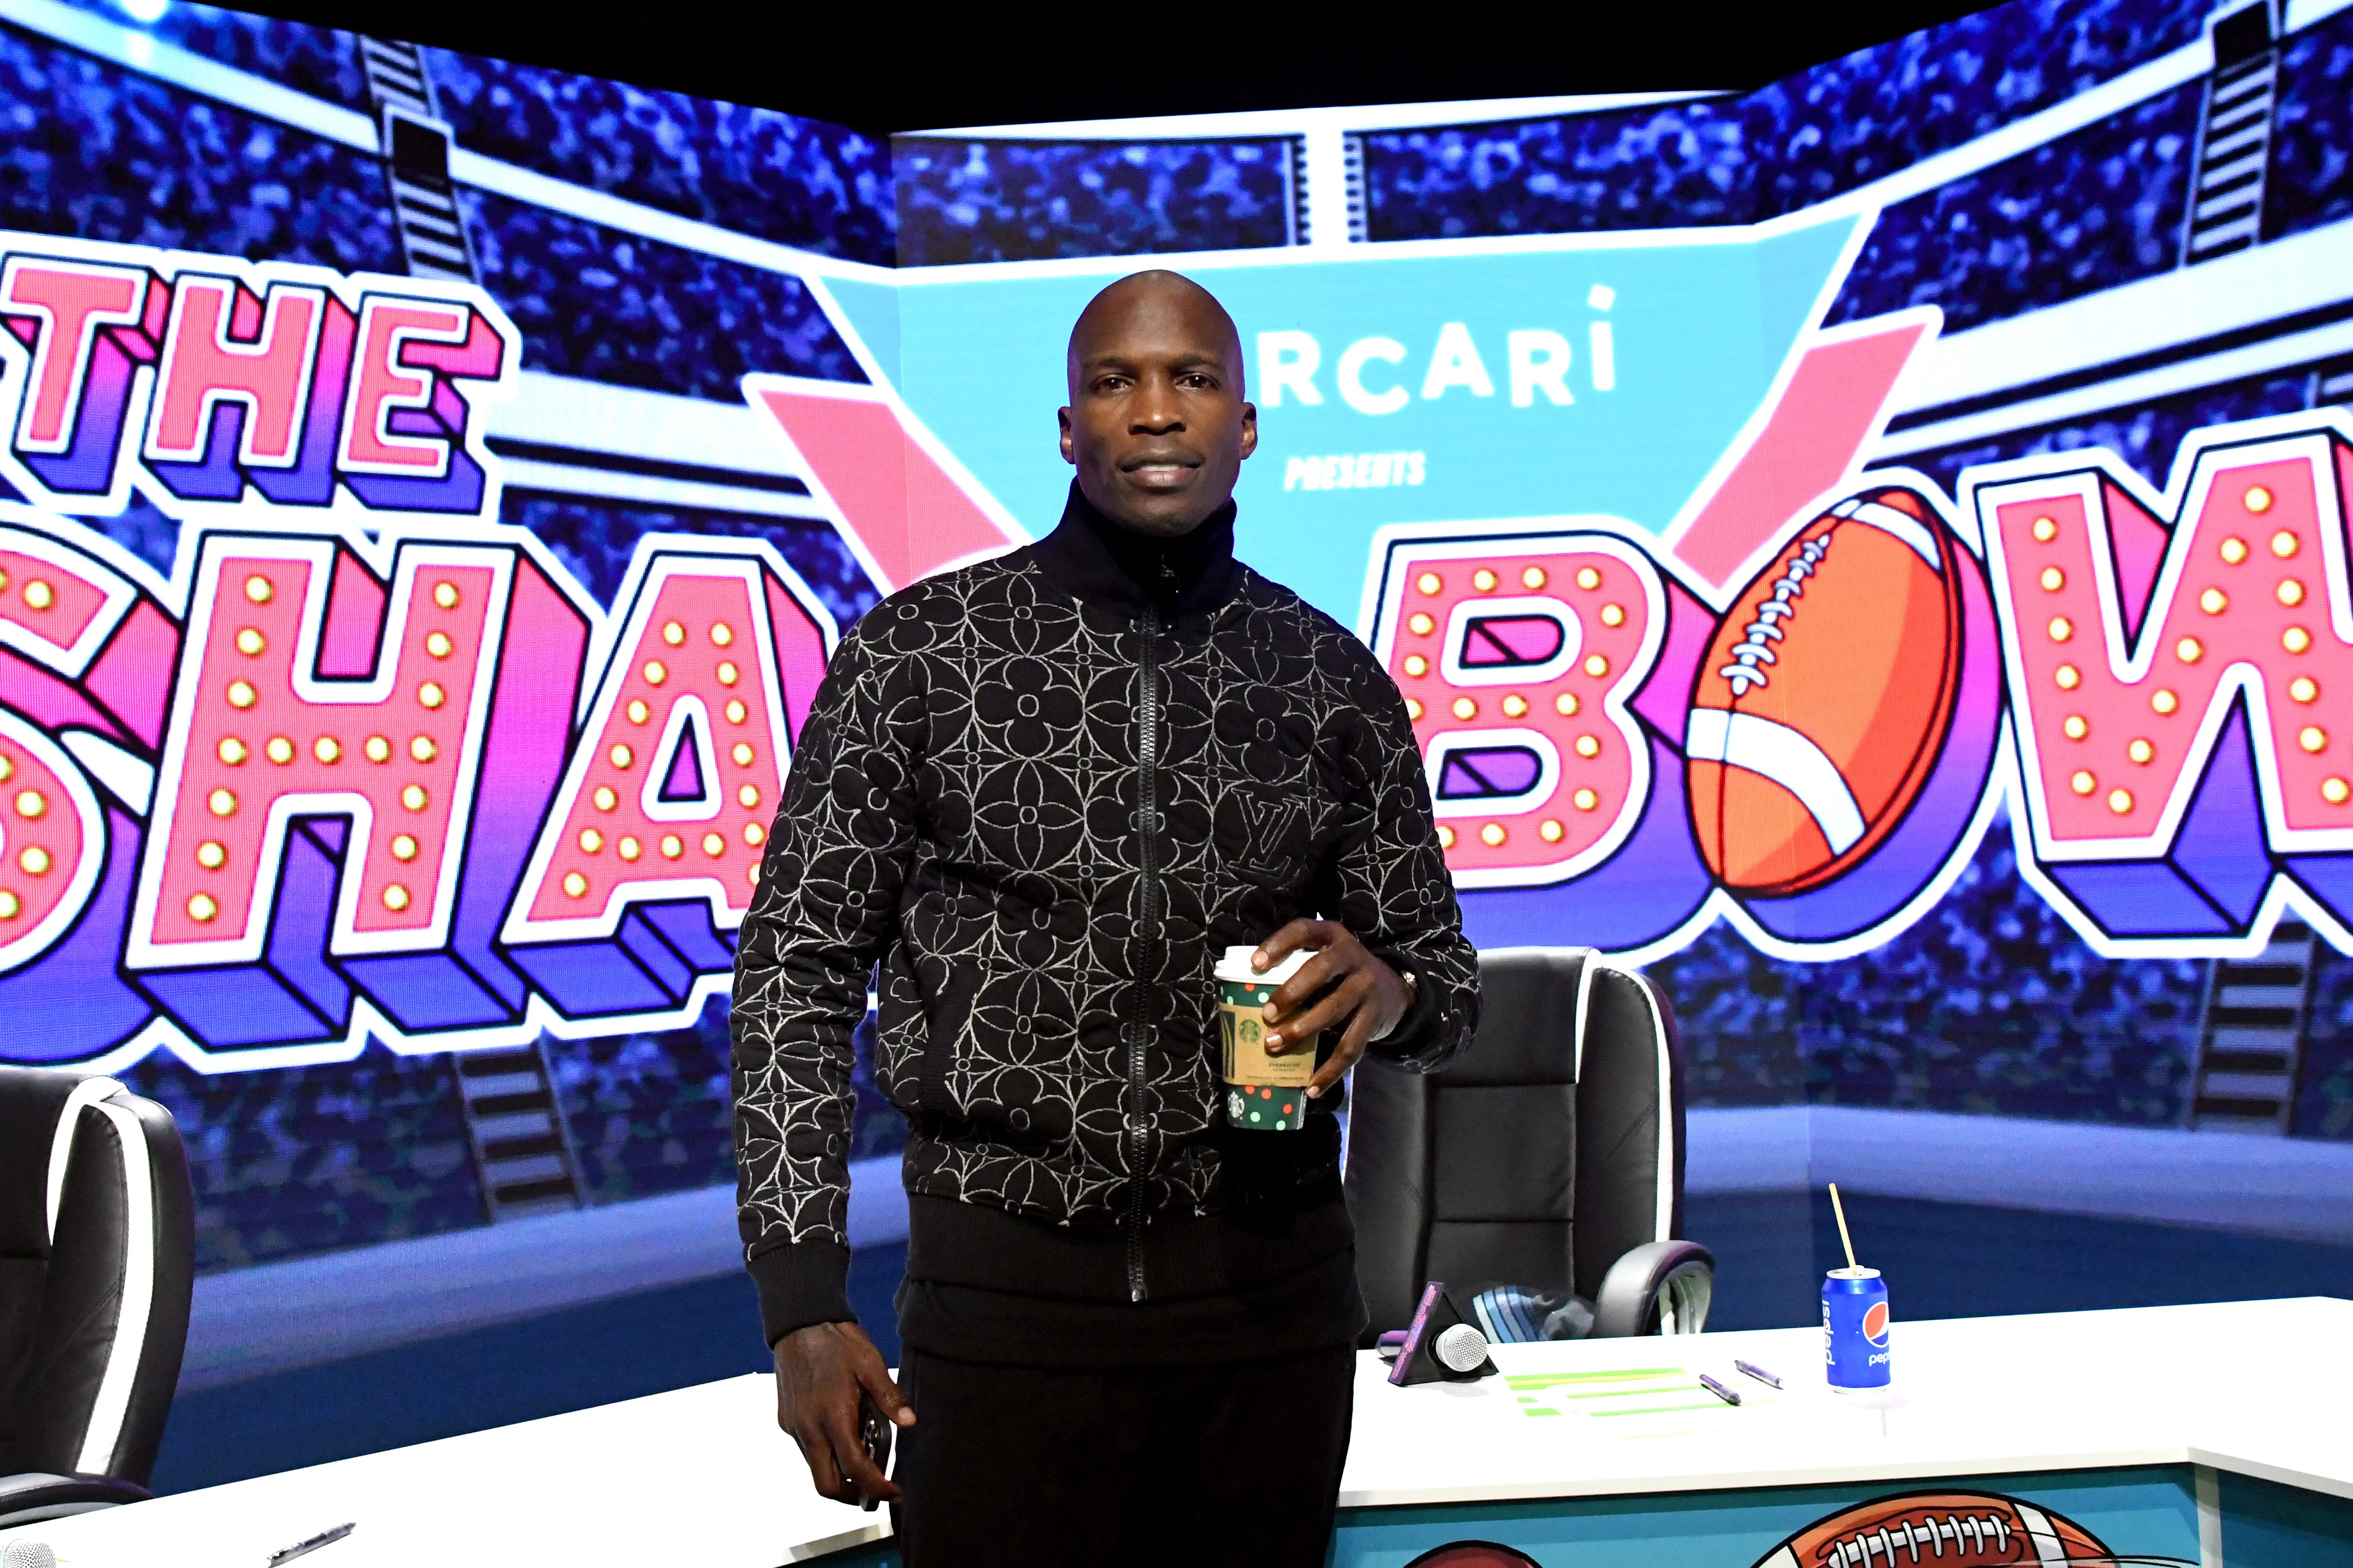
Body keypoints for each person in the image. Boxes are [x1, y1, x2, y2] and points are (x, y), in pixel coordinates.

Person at [731, 269, 1478, 1567]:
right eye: (1115, 382)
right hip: (999, 1317)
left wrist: (1393, 989)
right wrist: (800, 1299)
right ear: (1068, 427)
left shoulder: (1332, 682)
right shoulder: (923, 657)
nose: (1155, 412)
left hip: (1270, 1324)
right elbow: (794, 971)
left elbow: (1445, 982)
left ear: (1247, 425)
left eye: (1191, 379)